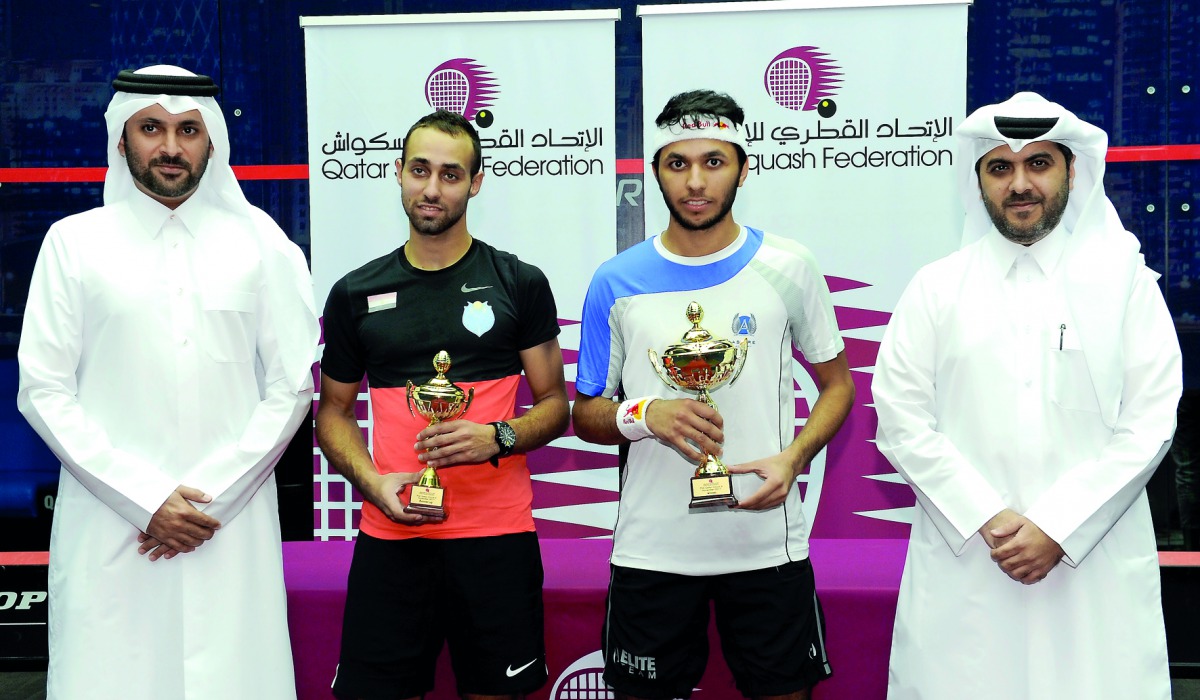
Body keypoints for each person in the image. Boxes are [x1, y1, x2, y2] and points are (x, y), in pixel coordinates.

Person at [16, 65, 318, 699]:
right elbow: (43, 388)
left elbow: (291, 386)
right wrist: (146, 499)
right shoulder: (73, 245)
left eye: (189, 129)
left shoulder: (263, 245)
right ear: (121, 138)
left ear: (212, 141)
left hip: (226, 533)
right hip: (111, 527)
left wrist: (211, 504)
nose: (171, 147)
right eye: (151, 128)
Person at [874, 92, 1181, 699]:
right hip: (969, 564)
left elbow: (1150, 422)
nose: (1020, 184)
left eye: (1038, 163)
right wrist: (988, 516)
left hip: (1090, 570)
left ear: (1071, 170)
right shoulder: (935, 288)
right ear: (979, 180)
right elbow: (901, 419)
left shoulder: (1125, 283)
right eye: (1000, 167)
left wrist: (1058, 527)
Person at [572, 90, 856, 700]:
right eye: (678, 164)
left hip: (765, 545)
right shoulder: (615, 280)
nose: (695, 181)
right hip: (653, 550)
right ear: (656, 172)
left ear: (743, 167)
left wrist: (794, 457)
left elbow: (838, 387)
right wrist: (648, 413)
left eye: (714, 161)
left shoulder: (790, 265)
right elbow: (585, 414)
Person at [316, 109, 570, 700]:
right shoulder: (355, 292)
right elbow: (332, 411)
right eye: (420, 170)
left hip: (495, 541)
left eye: (451, 175)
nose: (432, 188)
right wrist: (372, 482)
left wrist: (498, 438)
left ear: (475, 183)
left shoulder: (518, 282)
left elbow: (556, 404)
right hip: (391, 537)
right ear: (398, 174)